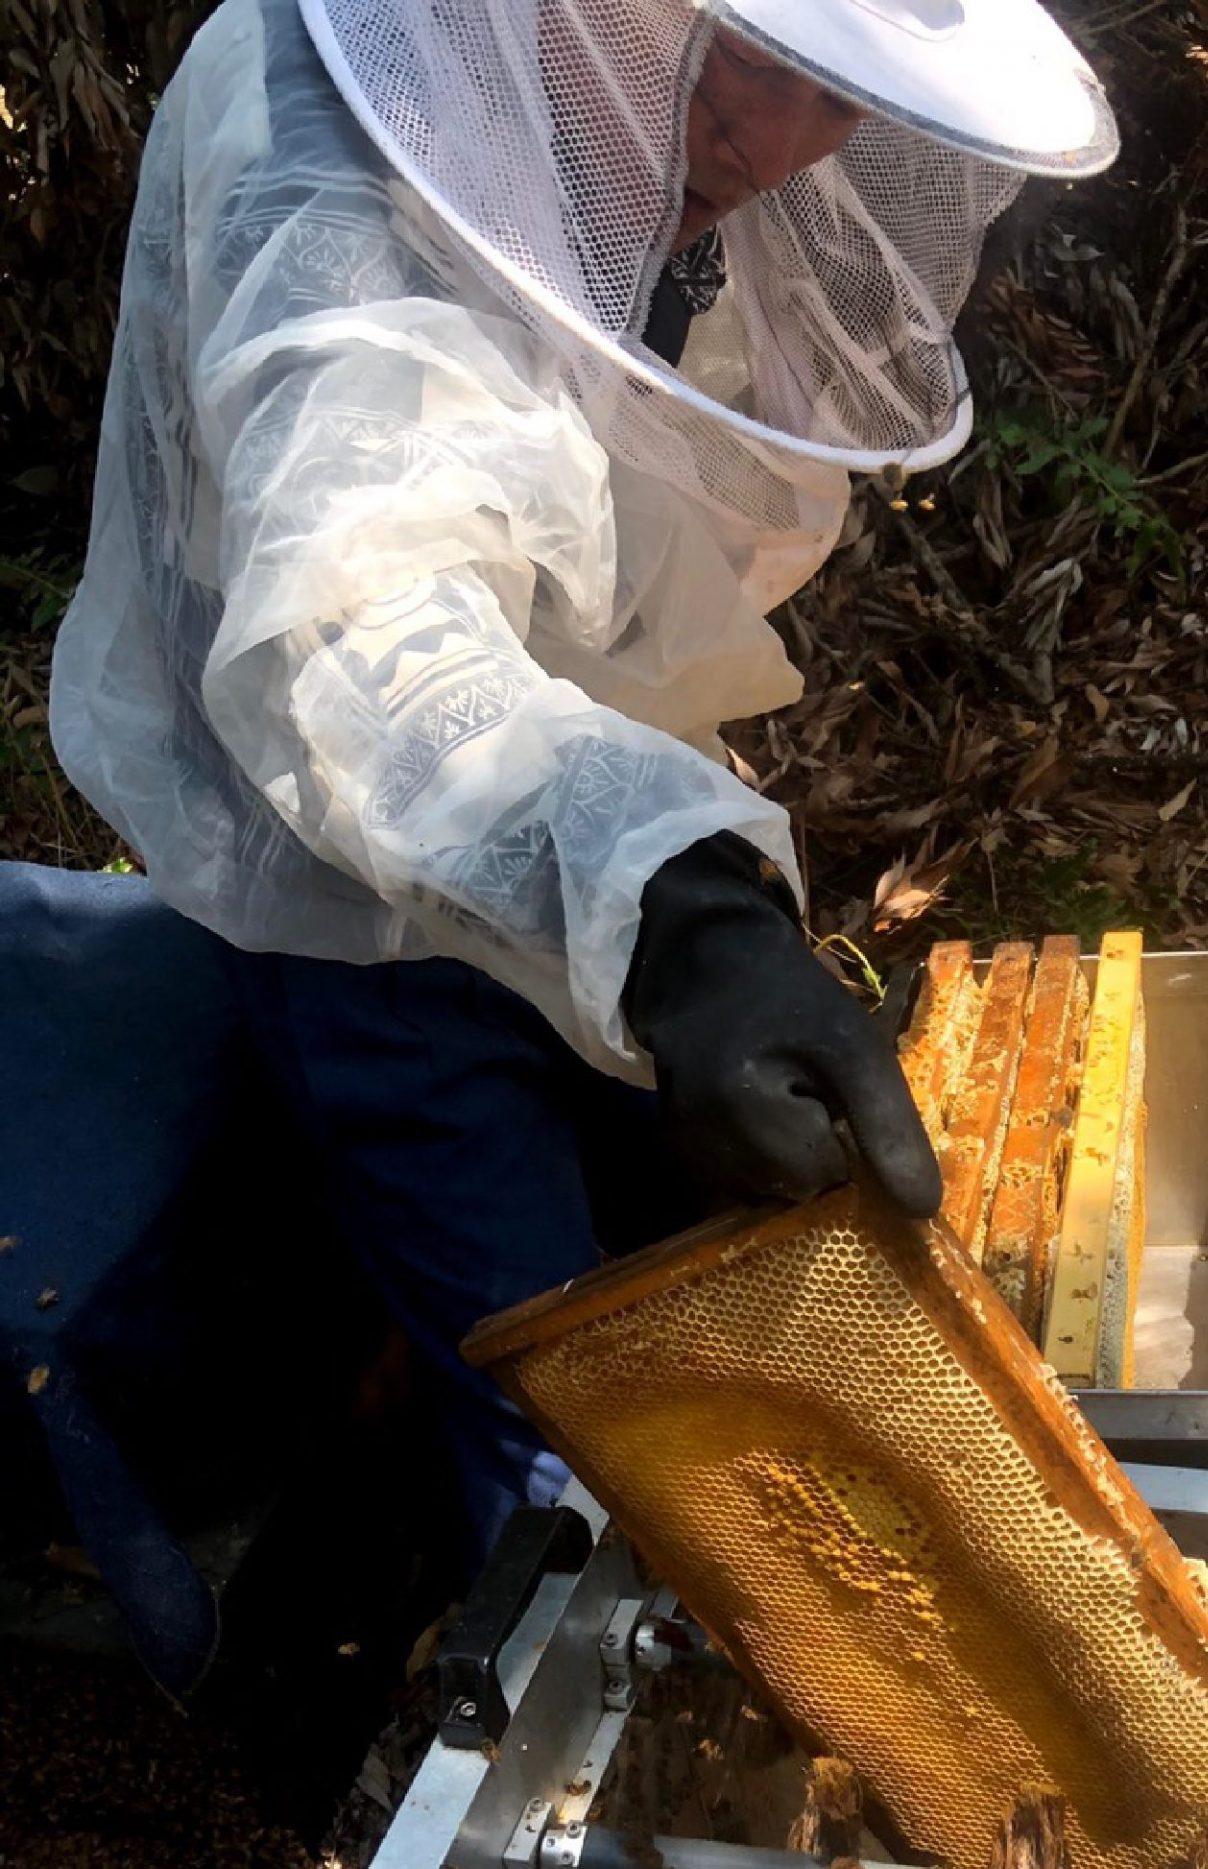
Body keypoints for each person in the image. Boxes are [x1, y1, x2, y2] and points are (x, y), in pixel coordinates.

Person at [37, 0, 1117, 1677]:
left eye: (845, 99)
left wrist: (665, 900)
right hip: (356, 900)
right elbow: (360, 619)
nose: (784, 144)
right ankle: (550, 1804)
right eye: (761, 62)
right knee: (567, 1415)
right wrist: (680, 913)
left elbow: (616, 526)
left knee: (693, 1266)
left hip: (594, 845)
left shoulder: (644, 113)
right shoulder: (328, 118)